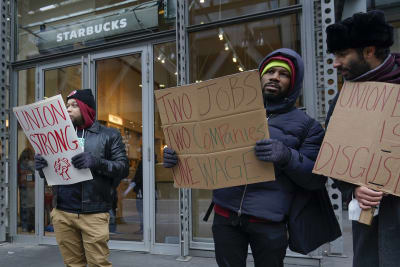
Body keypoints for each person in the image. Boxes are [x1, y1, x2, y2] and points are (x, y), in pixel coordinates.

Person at [164, 48, 341, 267]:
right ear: (260, 76)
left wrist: (287, 156)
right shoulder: (226, 113)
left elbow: (316, 178)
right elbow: (202, 150)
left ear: (293, 82)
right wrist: (178, 157)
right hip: (225, 216)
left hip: (269, 222)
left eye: (283, 74)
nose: (275, 77)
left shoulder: (308, 127)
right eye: (270, 72)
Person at [325, 10, 400, 267]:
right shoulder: (342, 100)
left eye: (342, 54)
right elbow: (334, 153)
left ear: (368, 51)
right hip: (369, 223)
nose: (335, 63)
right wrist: (353, 188)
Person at [34, 89, 129, 267]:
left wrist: (96, 162)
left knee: (98, 264)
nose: (68, 109)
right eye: (67, 105)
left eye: (74, 105)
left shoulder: (109, 135)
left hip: (93, 213)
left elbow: (123, 169)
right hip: (62, 212)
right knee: (72, 264)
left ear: (87, 108)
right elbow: (51, 175)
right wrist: (42, 167)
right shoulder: (57, 136)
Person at [18, 147, 35, 233]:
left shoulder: (20, 163)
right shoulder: (31, 163)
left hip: (23, 186)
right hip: (31, 187)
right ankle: (32, 226)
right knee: (32, 207)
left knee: (24, 207)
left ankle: (25, 226)